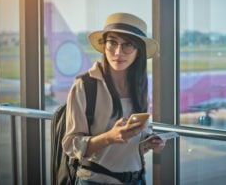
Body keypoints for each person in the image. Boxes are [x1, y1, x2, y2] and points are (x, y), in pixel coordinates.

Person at [62, 12, 165, 185]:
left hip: (137, 179)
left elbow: (129, 143)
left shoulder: (140, 85)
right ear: (104, 45)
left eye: (127, 45)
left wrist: (149, 141)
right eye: (112, 43)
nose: (118, 52)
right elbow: (70, 145)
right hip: (96, 181)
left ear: (138, 50)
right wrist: (109, 137)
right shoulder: (85, 85)